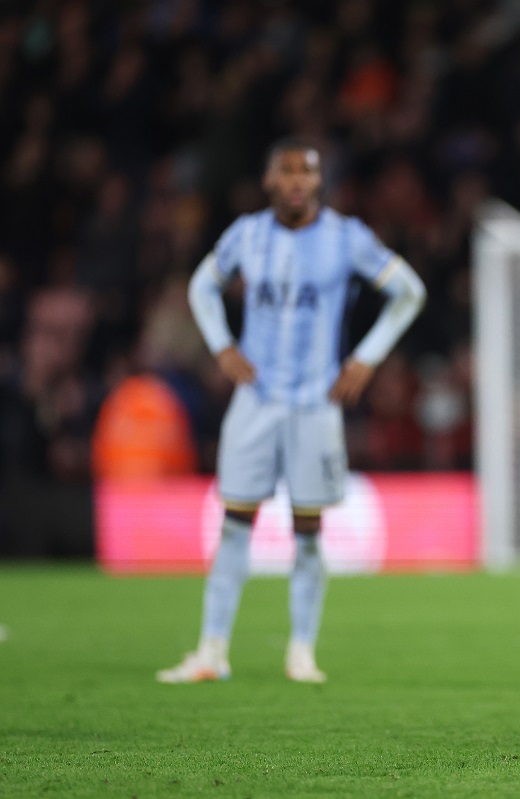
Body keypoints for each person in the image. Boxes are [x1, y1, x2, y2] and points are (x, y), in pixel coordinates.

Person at [156, 139, 426, 684]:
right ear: (269, 180)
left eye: (307, 171)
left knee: (308, 532)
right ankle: (212, 651)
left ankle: (301, 652)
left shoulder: (345, 238)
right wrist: (222, 346)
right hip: (255, 401)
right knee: (234, 525)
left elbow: (409, 292)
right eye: (288, 171)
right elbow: (202, 286)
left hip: (315, 404)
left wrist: (366, 359)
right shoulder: (247, 234)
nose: (298, 180)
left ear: (318, 181)